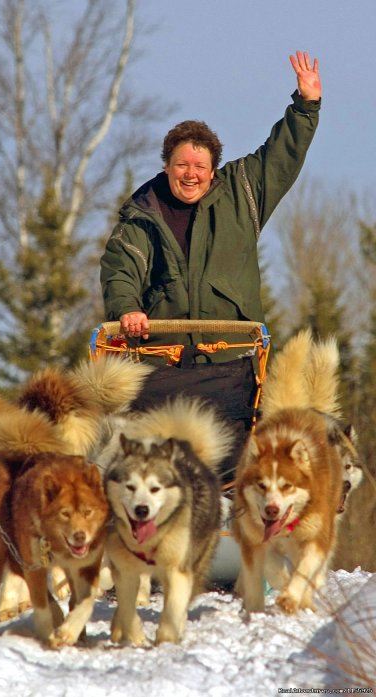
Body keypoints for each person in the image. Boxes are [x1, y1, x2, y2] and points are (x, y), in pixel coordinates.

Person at [100, 51, 321, 481]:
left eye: (199, 166)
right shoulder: (141, 214)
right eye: (181, 164)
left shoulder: (242, 192)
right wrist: (126, 308)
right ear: (165, 166)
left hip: (230, 361)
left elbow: (281, 155)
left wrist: (305, 105)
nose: (190, 174)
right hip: (162, 363)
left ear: (213, 169)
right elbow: (120, 268)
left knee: (228, 461)